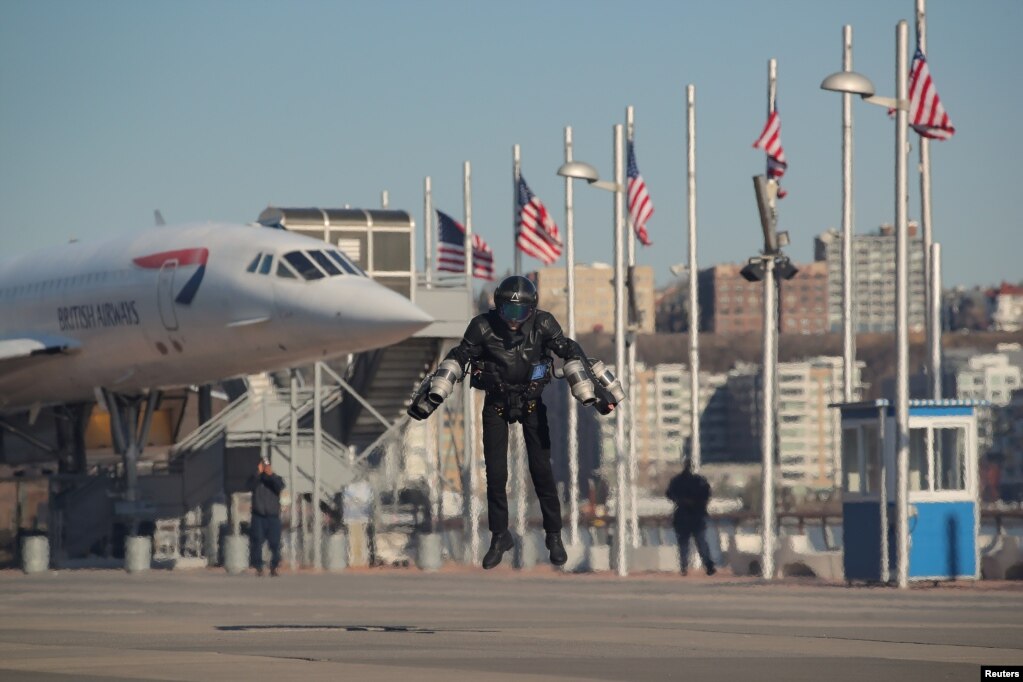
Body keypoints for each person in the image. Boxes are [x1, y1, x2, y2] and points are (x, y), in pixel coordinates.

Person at [408, 275, 622, 569]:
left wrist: (597, 394)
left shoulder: (544, 324)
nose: (513, 320)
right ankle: (499, 536)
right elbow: (459, 357)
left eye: (520, 313)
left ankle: (554, 535)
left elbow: (569, 350)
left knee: (542, 473)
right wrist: (432, 397)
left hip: (532, 403)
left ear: (531, 311)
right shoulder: (482, 326)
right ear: (498, 307)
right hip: (495, 404)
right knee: (496, 476)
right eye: (508, 312)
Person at [665, 458, 716, 576]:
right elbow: (707, 494)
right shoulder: (699, 481)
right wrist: (699, 504)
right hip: (696, 516)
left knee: (684, 543)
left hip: (683, 515)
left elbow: (669, 494)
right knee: (701, 542)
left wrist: (680, 500)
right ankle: (708, 566)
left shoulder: (677, 481)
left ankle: (684, 566)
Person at [248, 457, 285, 577]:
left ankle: (274, 566)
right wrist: (257, 473)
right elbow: (249, 486)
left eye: (267, 466)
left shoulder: (276, 478)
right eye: (263, 466)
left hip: (273, 516)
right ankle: (258, 566)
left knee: (275, 542)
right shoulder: (256, 479)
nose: (265, 468)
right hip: (258, 516)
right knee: (257, 541)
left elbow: (279, 486)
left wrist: (271, 475)